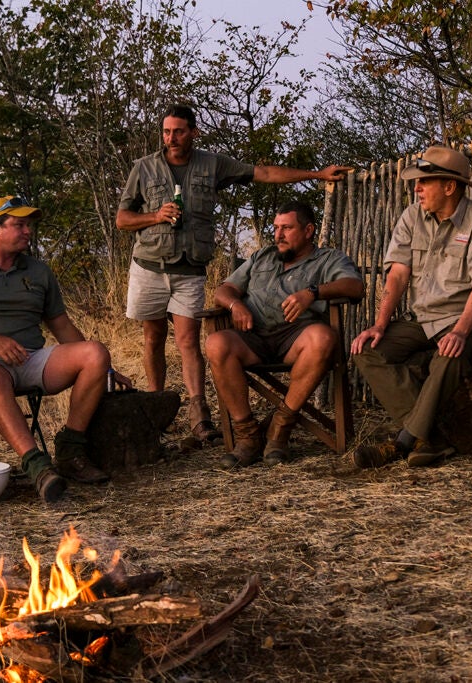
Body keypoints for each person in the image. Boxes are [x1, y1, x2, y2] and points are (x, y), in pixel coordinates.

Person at [116, 104, 352, 445]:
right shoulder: (144, 168)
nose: (171, 138)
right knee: (152, 338)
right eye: (166, 132)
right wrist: (154, 216)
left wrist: (315, 175)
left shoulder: (212, 164)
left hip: (190, 269)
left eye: (179, 131)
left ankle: (200, 415)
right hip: (149, 265)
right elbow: (123, 220)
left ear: (193, 132)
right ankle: (157, 410)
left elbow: (264, 173)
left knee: (187, 341)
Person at [0, 196, 129, 503]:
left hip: (30, 358)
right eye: (20, 225)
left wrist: (106, 369)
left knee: (95, 353)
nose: (28, 232)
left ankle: (70, 450)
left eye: (29, 225)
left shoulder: (38, 272)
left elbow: (61, 325)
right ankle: (37, 466)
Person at [350, 145, 472, 469]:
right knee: (366, 349)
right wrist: (380, 324)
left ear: (449, 186)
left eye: (424, 181)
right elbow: (398, 274)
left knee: (448, 355)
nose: (416, 188)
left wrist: (462, 331)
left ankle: (402, 442)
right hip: (423, 318)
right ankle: (432, 438)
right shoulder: (411, 216)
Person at [205, 201, 363, 467]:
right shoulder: (262, 256)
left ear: (308, 230)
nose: (278, 234)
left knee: (323, 338)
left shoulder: (329, 259)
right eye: (276, 227)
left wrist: (312, 293)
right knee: (216, 343)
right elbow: (224, 289)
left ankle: (279, 430)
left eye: (287, 228)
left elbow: (355, 287)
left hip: (296, 337)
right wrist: (235, 304)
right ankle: (248, 436)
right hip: (252, 336)